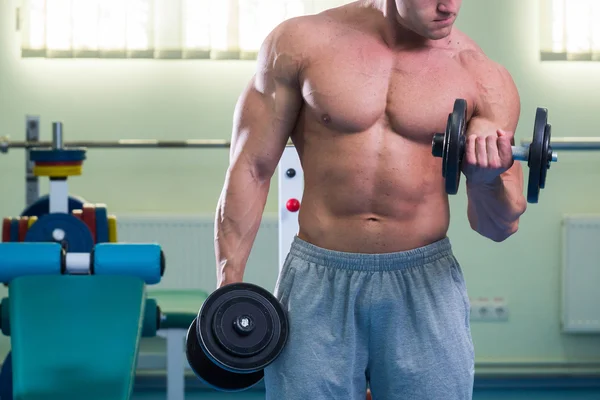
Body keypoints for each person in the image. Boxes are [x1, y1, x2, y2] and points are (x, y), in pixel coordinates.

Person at [214, 0, 526, 399]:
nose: (449, 5)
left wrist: (485, 181)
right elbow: (251, 168)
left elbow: (499, 225)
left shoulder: (482, 77)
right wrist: (228, 286)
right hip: (318, 278)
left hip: (424, 283)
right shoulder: (299, 44)